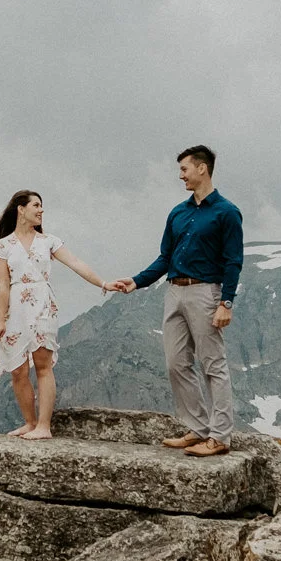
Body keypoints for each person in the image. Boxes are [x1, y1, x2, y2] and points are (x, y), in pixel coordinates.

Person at [107, 144, 244, 457]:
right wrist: (137, 281)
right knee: (175, 363)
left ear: (201, 168)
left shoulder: (227, 212)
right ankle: (198, 430)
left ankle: (220, 436)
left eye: (184, 169)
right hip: (174, 291)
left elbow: (233, 261)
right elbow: (165, 257)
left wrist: (226, 303)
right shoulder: (178, 213)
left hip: (205, 293)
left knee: (213, 365)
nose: (180, 175)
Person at [0, 189, 114, 438]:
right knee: (18, 370)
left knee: (42, 365)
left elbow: (76, 263)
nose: (41, 210)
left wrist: (103, 283)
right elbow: (3, 286)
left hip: (43, 303)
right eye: (36, 205)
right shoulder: (2, 247)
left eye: (42, 206)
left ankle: (44, 426)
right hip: (17, 308)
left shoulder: (49, 241)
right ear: (21, 209)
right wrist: (0, 319)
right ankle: (30, 423)